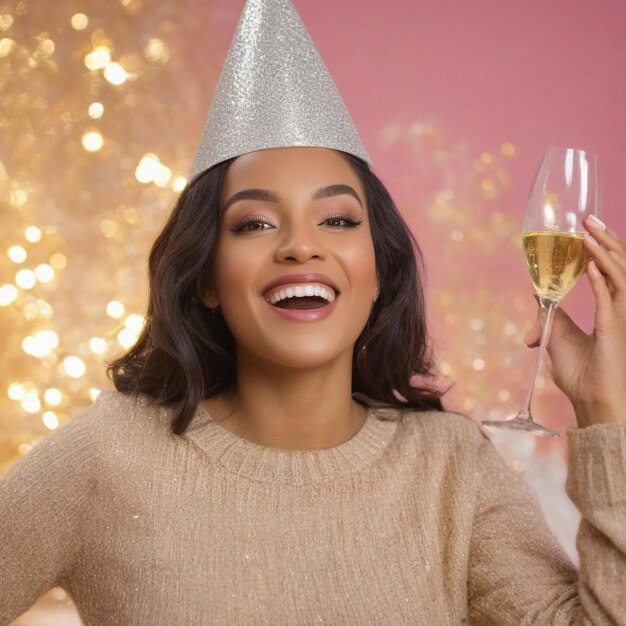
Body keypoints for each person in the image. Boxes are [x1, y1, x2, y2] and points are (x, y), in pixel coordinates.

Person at [1, 0, 625, 624]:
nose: (301, 244)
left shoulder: (450, 466)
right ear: (208, 279)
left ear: (378, 273)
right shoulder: (111, 454)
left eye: (337, 220)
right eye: (255, 223)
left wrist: (605, 412)